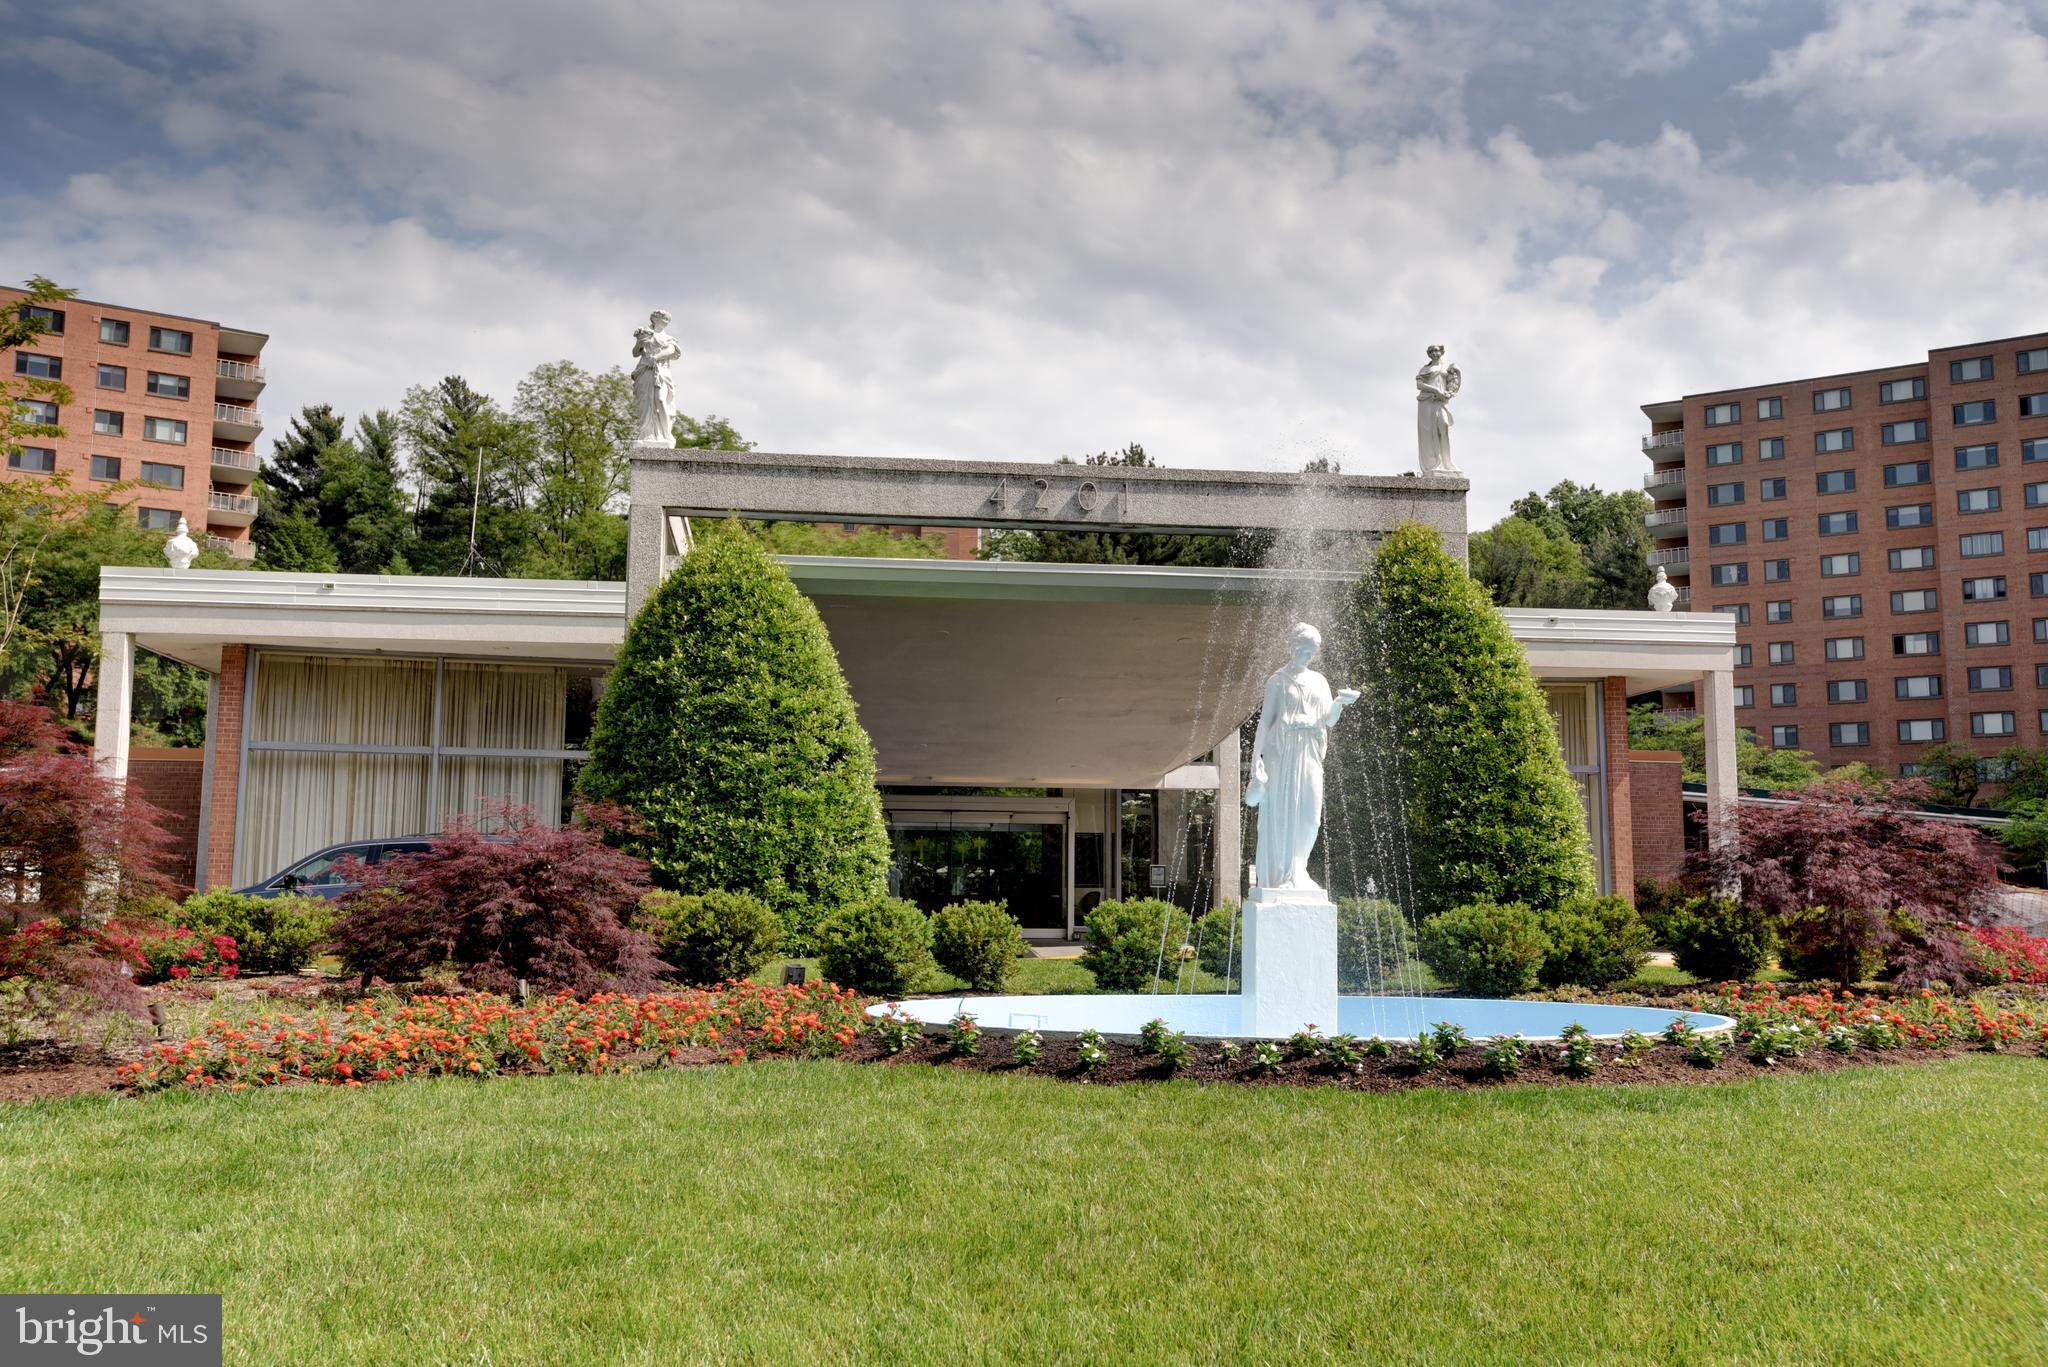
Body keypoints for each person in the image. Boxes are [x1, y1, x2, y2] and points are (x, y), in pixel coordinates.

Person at [1244, 623, 1359, 891]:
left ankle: (1300, 868)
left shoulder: (1319, 681)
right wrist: (1255, 760)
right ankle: (1285, 875)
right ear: (1294, 646)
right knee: (1284, 812)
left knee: (1310, 814)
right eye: (1306, 650)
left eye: (1313, 652)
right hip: (1283, 752)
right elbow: (1265, 722)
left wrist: (1340, 704)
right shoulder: (1277, 681)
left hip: (1309, 751)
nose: (1309, 657)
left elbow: (1328, 720)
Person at [632, 310, 682, 446]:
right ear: (656, 319)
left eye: (668, 320)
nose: (666, 322)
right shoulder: (645, 333)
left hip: (661, 372)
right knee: (646, 403)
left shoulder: (668, 338)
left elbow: (671, 350)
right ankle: (648, 433)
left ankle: (666, 434)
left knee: (660, 400)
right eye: (664, 319)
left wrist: (656, 357)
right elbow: (635, 353)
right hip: (645, 372)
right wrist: (640, 343)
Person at [1416, 343, 1461, 475]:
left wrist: (1450, 390)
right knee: (1432, 432)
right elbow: (1419, 385)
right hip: (1428, 402)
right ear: (1429, 354)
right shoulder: (1425, 369)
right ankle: (1437, 463)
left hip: (1441, 402)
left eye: (1437, 351)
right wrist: (1435, 390)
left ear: (1441, 352)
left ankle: (1448, 462)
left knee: (1444, 425)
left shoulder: (1446, 369)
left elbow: (1453, 384)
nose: (1435, 353)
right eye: (1432, 351)